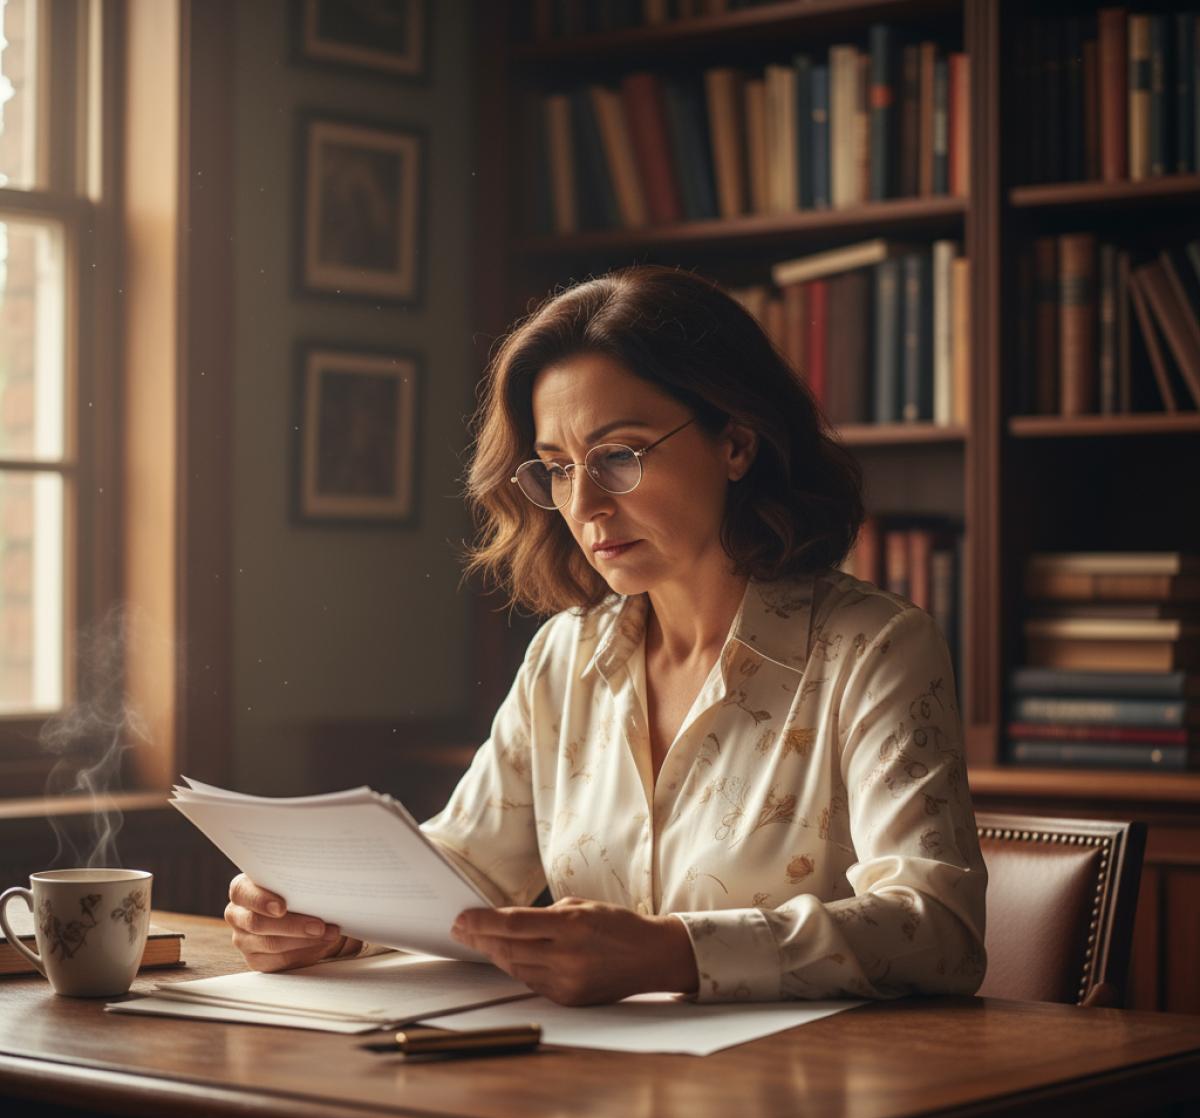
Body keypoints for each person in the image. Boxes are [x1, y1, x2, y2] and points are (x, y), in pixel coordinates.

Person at [225, 265, 987, 1005]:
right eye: (556, 468)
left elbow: (938, 929)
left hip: (797, 1095)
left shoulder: (876, 650)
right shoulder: (568, 656)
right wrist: (324, 920)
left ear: (737, 443)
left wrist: (678, 954)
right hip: (588, 1091)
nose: (583, 504)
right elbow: (465, 871)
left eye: (618, 456)